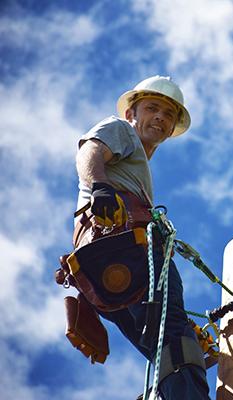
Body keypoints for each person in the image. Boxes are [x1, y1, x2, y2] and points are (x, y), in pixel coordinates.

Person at [72, 75, 210, 400]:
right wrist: (100, 187)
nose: (161, 118)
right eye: (152, 108)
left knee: (162, 345)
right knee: (173, 333)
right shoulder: (121, 130)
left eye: (168, 114)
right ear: (132, 112)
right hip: (127, 248)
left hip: (105, 269)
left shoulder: (137, 167)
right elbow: (89, 152)